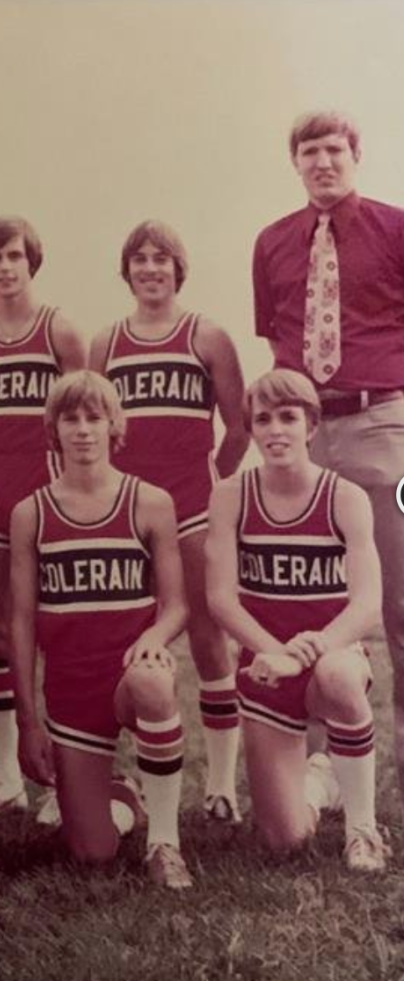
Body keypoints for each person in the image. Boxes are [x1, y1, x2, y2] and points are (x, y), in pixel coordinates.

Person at [253, 110, 404, 803]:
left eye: (334, 149)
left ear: (355, 154)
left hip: (380, 421)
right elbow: (276, 339)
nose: (322, 162)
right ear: (296, 162)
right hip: (306, 433)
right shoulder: (274, 242)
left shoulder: (395, 229)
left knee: (398, 599)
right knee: (309, 596)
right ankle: (321, 763)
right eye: (309, 151)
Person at [9, 371, 193, 889]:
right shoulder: (32, 513)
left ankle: (164, 842)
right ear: (54, 429)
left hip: (128, 674)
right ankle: (125, 796)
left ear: (115, 425)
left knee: (153, 683)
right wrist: (28, 721)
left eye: (95, 417)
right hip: (71, 689)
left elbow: (177, 606)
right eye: (71, 418)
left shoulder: (149, 501)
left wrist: (153, 640)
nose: (84, 430)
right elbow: (21, 622)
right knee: (91, 853)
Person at [91, 221, 249, 821]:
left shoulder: (206, 335)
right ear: (126, 269)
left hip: (191, 504)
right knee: (125, 635)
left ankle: (221, 784)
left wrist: (214, 481)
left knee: (209, 638)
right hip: (127, 511)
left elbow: (238, 425)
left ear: (179, 268)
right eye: (139, 258)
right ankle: (125, 766)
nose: (151, 268)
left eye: (162, 258)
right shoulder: (106, 343)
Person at [206, 369, 388, 870]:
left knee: (338, 675)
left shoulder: (343, 496)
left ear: (311, 424)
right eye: (262, 420)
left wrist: (310, 650)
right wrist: (278, 653)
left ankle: (363, 831)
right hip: (266, 666)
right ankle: (323, 777)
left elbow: (368, 603)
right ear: (252, 430)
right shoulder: (231, 496)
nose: (276, 430)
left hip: (331, 654)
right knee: (286, 842)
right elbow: (220, 599)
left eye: (288, 417)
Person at [0, 216, 85, 819]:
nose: (5, 267)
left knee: (56, 628)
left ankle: (64, 774)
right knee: (1, 630)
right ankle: (6, 774)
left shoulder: (60, 328)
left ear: (33, 262)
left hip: (49, 485)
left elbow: (85, 415)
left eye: (15, 256)